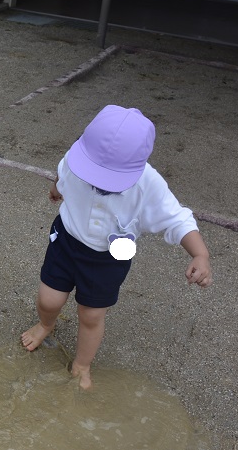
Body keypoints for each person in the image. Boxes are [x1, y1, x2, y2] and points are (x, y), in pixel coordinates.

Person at [20, 105, 212, 389]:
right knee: (49, 299)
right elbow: (62, 177)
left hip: (111, 256)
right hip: (65, 240)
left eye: (109, 181)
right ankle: (46, 323)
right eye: (93, 173)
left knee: (92, 314)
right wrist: (56, 190)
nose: (98, 184)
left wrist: (200, 253)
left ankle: (82, 363)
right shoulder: (76, 158)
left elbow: (177, 218)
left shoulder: (149, 183)